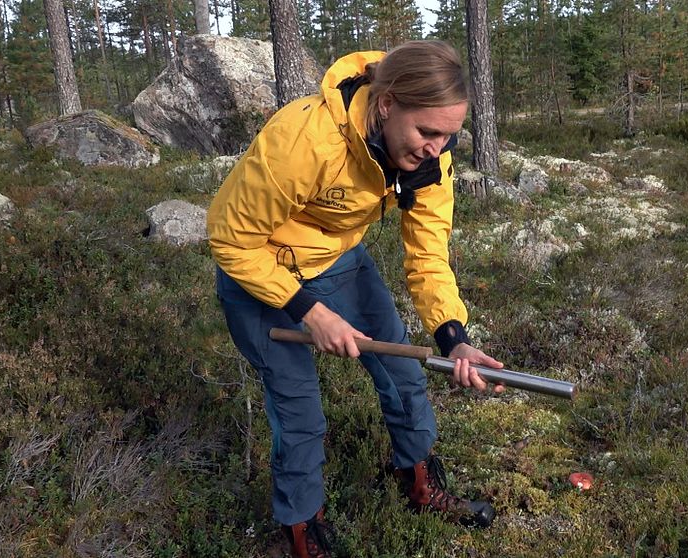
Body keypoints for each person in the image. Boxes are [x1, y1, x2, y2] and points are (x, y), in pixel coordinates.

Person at [207, 41, 504, 558]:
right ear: (386, 104)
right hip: (257, 274)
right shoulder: (305, 138)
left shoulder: (428, 160)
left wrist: (453, 337)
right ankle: (302, 534)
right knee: (300, 414)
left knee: (407, 375)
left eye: (448, 134)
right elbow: (231, 240)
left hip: (338, 262)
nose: (438, 146)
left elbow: (428, 256)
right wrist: (310, 312)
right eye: (427, 132)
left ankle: (418, 485)